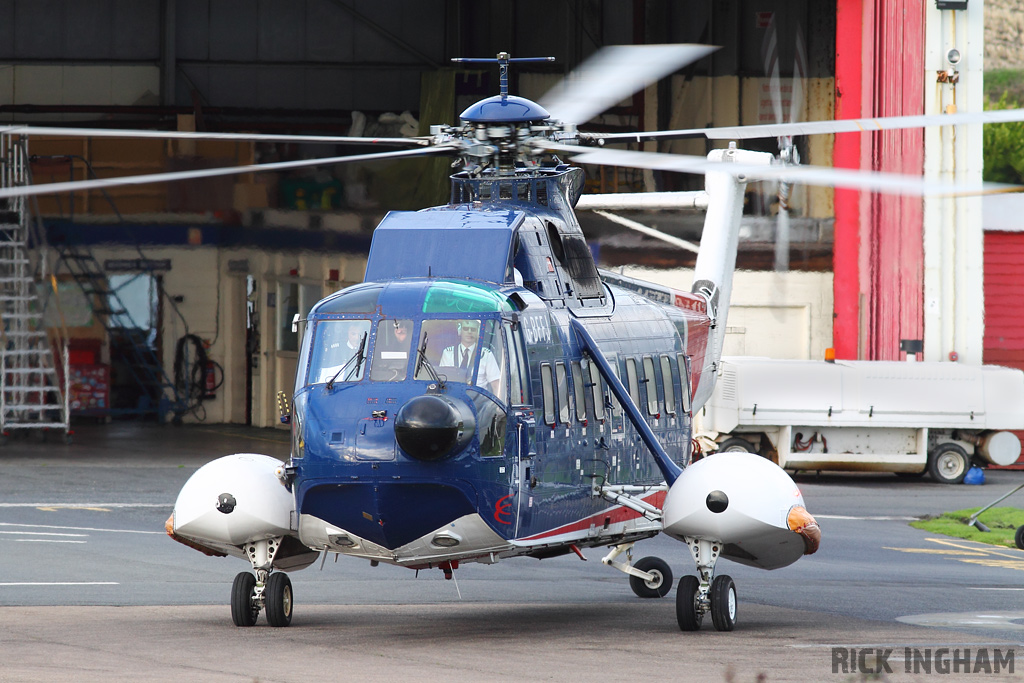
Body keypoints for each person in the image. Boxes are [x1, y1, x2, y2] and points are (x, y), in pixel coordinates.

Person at [439, 319, 500, 393]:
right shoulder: (448, 353)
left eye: (473, 329)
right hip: (453, 398)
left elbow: (496, 385)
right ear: (460, 331)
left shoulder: (486, 355)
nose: (469, 332)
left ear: (478, 333)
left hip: (479, 401)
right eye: (466, 329)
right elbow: (442, 381)